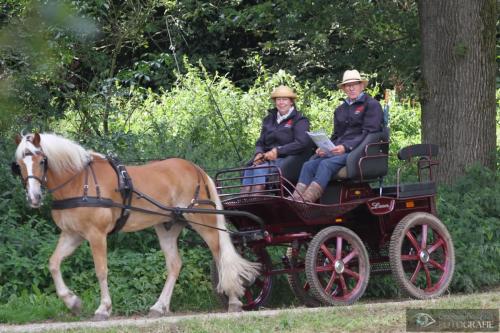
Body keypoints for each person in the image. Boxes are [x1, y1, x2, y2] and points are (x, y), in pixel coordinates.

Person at [292, 70, 384, 202]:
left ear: (362, 86)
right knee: (308, 165)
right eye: (348, 85)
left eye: (355, 84)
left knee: (326, 164)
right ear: (344, 89)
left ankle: (307, 200)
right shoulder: (340, 110)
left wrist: (345, 147)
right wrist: (324, 147)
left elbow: (369, 133)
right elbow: (336, 136)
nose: (351, 88)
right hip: (340, 151)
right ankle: (296, 199)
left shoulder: (372, 105)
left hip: (359, 151)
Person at [242, 85, 311, 193]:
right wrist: (258, 153)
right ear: (275, 101)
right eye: (278, 99)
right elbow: (260, 142)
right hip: (266, 158)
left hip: (288, 159)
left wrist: (278, 151)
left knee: (259, 170)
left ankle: (255, 201)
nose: (281, 102)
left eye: (284, 99)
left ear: (291, 102)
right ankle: (242, 202)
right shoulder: (269, 119)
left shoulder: (300, 119)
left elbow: (301, 143)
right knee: (250, 170)